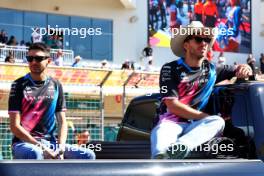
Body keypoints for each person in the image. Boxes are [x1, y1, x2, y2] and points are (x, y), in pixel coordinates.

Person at [151, 21, 252, 159]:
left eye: (206, 39)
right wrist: (204, 117)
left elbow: (239, 68)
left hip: (197, 127)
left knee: (218, 121)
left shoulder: (213, 70)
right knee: (162, 135)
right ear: (185, 45)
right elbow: (172, 106)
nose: (204, 43)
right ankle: (162, 158)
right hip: (170, 124)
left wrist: (246, 68)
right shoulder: (169, 68)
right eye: (198, 39)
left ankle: (180, 148)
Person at [8, 42, 95, 160]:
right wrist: (41, 147)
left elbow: (62, 121)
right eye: (30, 58)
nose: (33, 62)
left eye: (38, 59)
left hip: (52, 143)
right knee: (35, 153)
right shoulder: (18, 85)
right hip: (24, 144)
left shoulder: (56, 85)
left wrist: (61, 147)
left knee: (88, 155)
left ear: (48, 61)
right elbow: (14, 126)